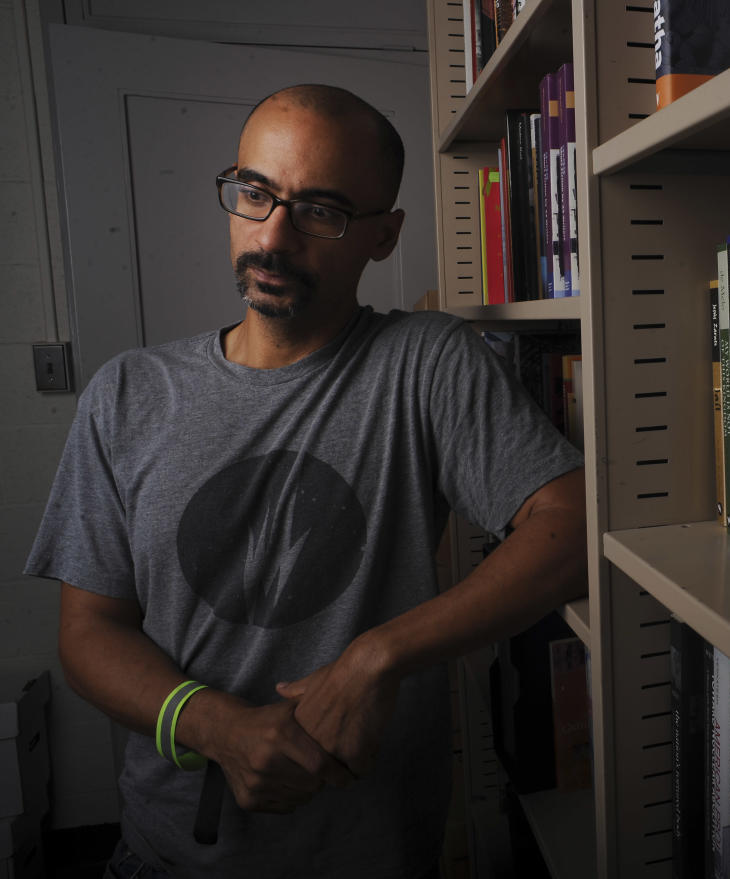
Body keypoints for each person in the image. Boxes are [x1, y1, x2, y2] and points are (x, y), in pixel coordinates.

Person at [25, 84, 587, 878]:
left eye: (321, 210)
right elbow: (87, 632)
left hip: (372, 854)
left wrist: (378, 655)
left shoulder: (426, 363)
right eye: (255, 193)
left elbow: (569, 522)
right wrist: (212, 723)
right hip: (166, 854)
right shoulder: (126, 393)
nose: (274, 238)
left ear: (383, 237)